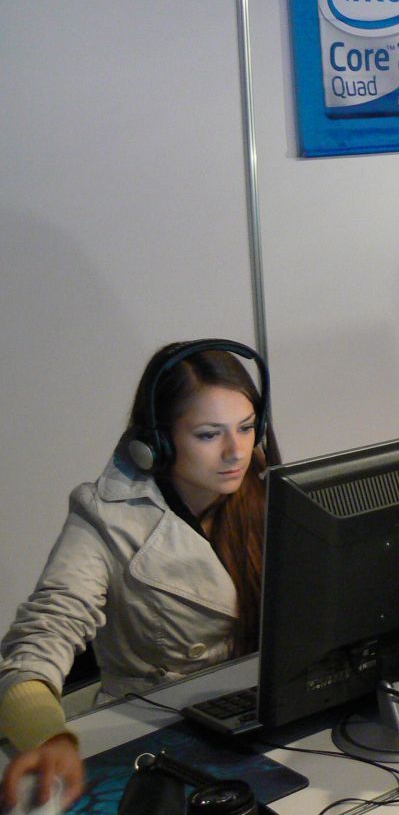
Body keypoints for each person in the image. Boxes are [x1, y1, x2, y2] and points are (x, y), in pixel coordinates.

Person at [0, 342, 276, 810]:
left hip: (256, 718)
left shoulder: (269, 490)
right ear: (156, 444)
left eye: (246, 428)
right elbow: (39, 640)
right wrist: (49, 738)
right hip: (157, 739)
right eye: (209, 434)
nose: (236, 452)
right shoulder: (105, 516)